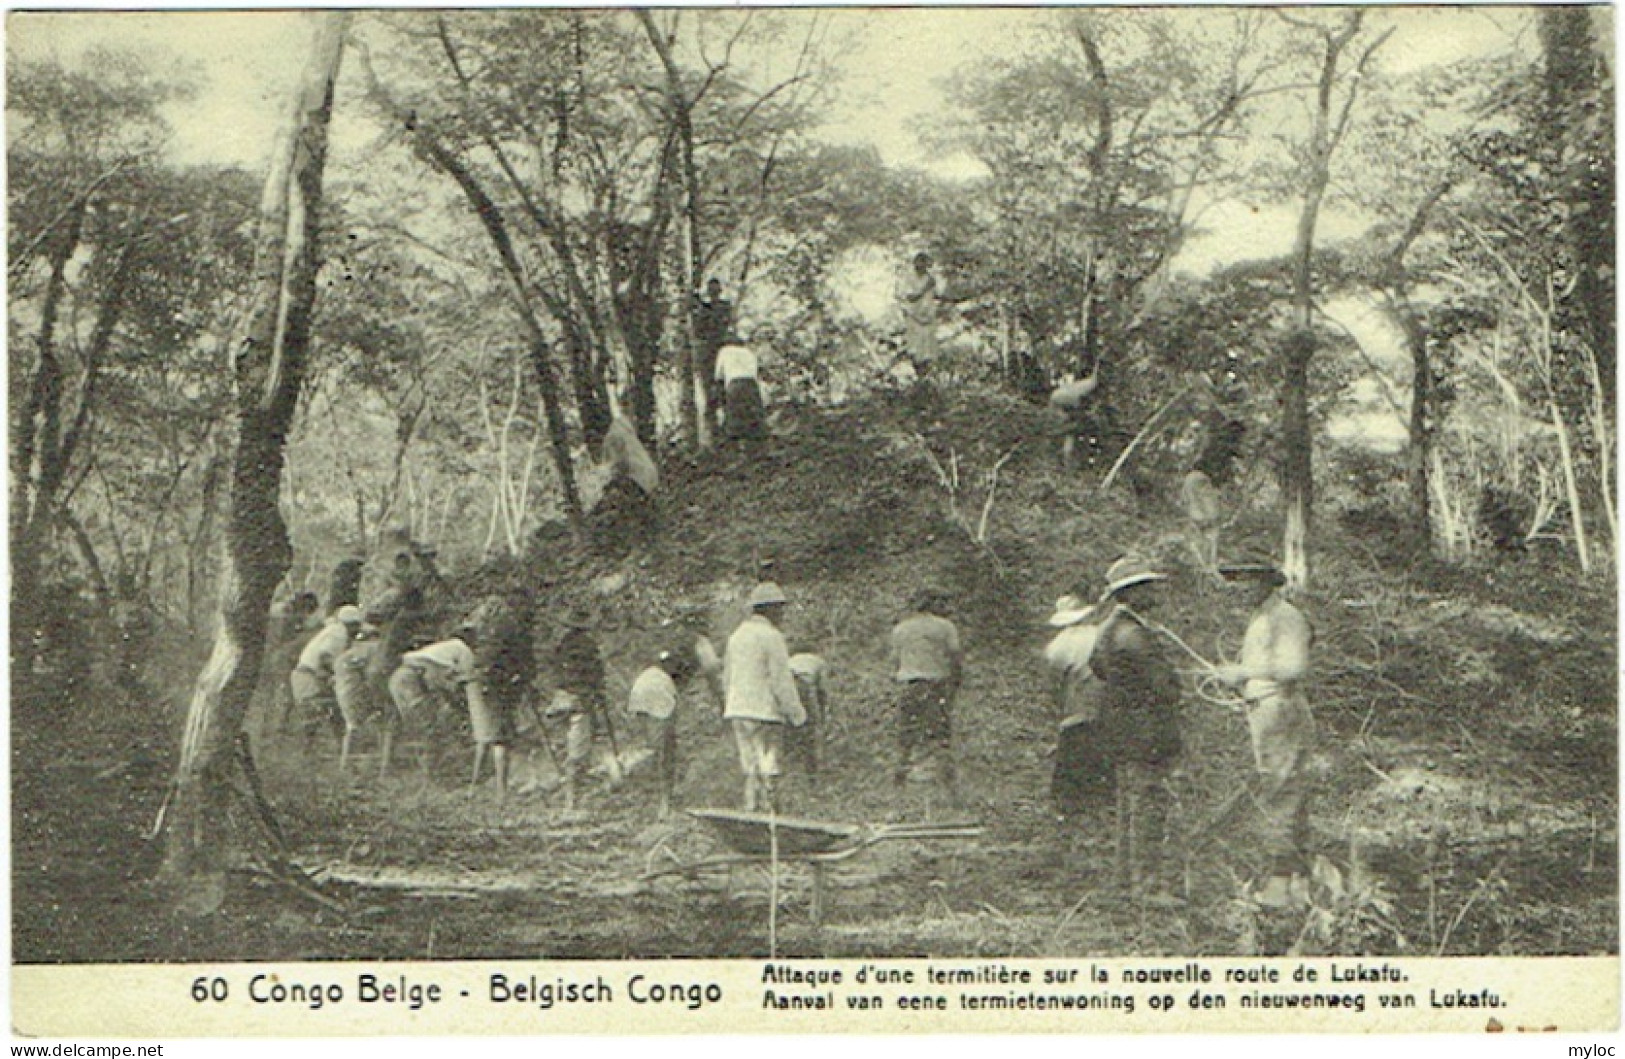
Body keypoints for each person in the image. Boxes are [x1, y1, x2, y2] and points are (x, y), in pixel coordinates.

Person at [1213, 559, 1315, 909]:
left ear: (1266, 582)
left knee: (1281, 792)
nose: (1240, 587)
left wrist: (1242, 672)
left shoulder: (1285, 617)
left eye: (1247, 580)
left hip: (1280, 712)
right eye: (1236, 580)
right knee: (1281, 791)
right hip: (1265, 710)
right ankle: (1297, 883)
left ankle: (1278, 886)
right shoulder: (1262, 617)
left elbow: (1294, 667)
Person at [1089, 556, 1183, 900]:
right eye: (1147, 587)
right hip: (1146, 733)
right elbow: (1165, 686)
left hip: (1123, 729)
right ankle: (1146, 886)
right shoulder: (1134, 635)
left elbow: (1097, 667)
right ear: (1132, 593)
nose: (1154, 592)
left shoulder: (1110, 630)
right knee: (1147, 805)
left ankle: (1127, 882)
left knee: (1131, 805)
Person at [386, 625, 503, 794]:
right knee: (429, 730)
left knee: (420, 729)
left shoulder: (442, 650)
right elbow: (468, 680)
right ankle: (433, 780)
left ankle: (429, 777)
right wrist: (462, 709)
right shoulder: (463, 651)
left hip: (399, 678)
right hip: (411, 682)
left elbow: (443, 684)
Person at [721, 582, 805, 811]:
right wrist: (797, 715)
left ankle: (750, 813)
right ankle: (771, 820)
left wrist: (730, 703)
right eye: (779, 609)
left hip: (738, 710)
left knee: (750, 768)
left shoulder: (736, 636)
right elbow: (781, 681)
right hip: (764, 712)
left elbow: (727, 677)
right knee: (769, 768)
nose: (782, 614)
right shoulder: (771, 636)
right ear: (768, 609)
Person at [1043, 593, 1114, 823]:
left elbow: (1054, 681)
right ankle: (1103, 800)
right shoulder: (1102, 634)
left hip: (1077, 700)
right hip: (1105, 697)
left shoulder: (1057, 646)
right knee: (1103, 744)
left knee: (1073, 746)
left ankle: (1071, 803)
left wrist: (1058, 703)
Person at [888, 587, 963, 803]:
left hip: (909, 687)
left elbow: (895, 662)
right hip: (935, 686)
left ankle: (897, 788)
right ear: (933, 604)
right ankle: (950, 793)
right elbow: (955, 658)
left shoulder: (901, 629)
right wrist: (954, 686)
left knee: (905, 739)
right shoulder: (945, 627)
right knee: (940, 739)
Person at [551, 603, 612, 809]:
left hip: (561, 699)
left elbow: (557, 672)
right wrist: (598, 692)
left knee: (568, 746)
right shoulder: (587, 646)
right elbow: (595, 675)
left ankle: (570, 793)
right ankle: (571, 802)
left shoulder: (563, 645)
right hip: (580, 699)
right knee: (578, 752)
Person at [289, 605, 364, 751]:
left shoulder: (333, 630)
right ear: (351, 624)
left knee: (328, 714)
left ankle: (334, 748)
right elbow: (325, 657)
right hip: (308, 679)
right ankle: (342, 747)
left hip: (305, 677)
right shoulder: (338, 633)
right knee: (337, 708)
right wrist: (337, 673)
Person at [627, 650, 685, 817]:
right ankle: (664, 800)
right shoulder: (663, 680)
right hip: (656, 708)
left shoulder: (649, 676)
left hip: (643, 704)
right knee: (664, 753)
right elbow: (672, 709)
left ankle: (655, 796)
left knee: (652, 747)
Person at [592, 414, 660, 553]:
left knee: (611, 505)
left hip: (636, 479)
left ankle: (618, 545)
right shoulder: (624, 432)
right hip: (647, 478)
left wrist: (611, 482)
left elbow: (621, 464)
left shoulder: (614, 437)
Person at [694, 278, 734, 431]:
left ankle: (725, 425)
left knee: (723, 390)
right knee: (710, 391)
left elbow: (717, 319)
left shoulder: (723, 307)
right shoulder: (706, 309)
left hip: (720, 351)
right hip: (709, 353)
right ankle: (714, 427)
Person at [713, 336, 767, 446]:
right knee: (753, 419)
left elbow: (718, 376)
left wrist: (720, 401)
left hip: (735, 384)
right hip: (752, 385)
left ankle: (737, 447)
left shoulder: (725, 351)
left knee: (734, 419)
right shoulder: (749, 352)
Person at [786, 651, 829, 776]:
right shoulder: (819, 662)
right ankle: (811, 768)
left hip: (789, 683)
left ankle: (792, 761)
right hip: (804, 686)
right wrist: (821, 714)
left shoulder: (791, 659)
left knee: (791, 726)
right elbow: (822, 690)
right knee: (810, 729)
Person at [1048, 371, 1099, 472]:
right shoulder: (1081, 393)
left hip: (1064, 405)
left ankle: (1070, 465)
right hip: (1065, 406)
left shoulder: (1084, 387)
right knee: (1071, 435)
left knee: (1073, 434)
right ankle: (1070, 466)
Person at [898, 252, 939, 366]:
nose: (922, 267)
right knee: (914, 345)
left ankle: (926, 366)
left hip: (927, 315)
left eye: (924, 265)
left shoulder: (929, 278)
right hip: (914, 315)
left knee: (927, 345)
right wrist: (924, 289)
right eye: (920, 264)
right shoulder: (909, 278)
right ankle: (915, 364)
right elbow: (910, 297)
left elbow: (935, 296)